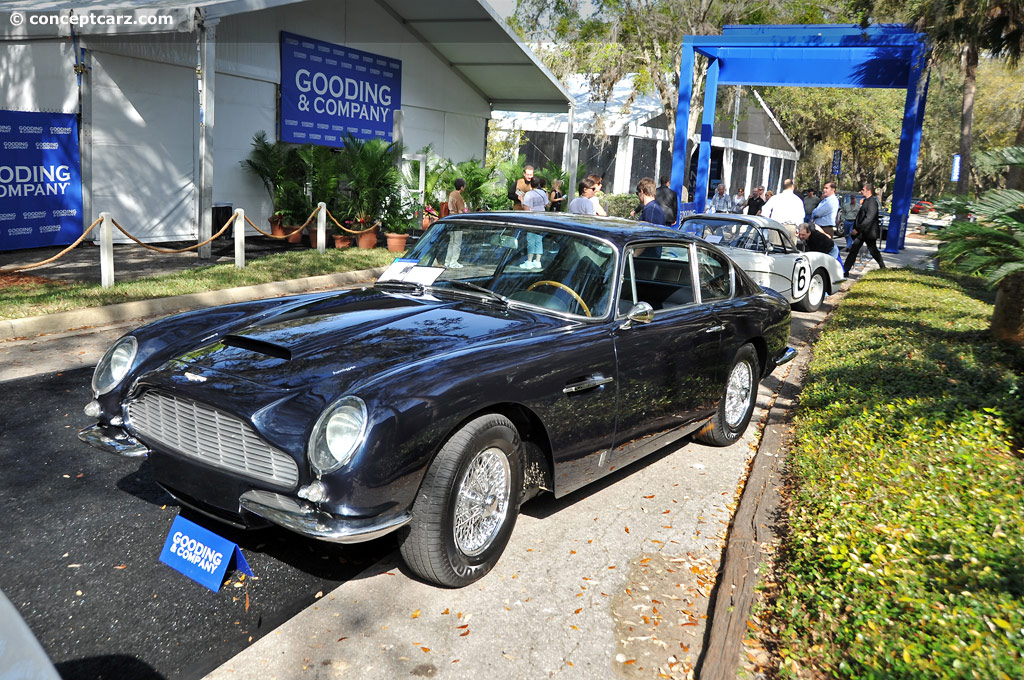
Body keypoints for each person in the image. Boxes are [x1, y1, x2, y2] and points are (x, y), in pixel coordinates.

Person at [843, 183, 886, 272]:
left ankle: (883, 267)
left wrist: (857, 229)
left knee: (873, 250)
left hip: (868, 232)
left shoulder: (872, 202)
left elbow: (868, 218)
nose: (861, 191)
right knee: (853, 250)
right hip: (862, 233)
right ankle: (845, 270)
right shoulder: (866, 201)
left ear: (869, 191)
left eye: (863, 189)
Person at [520, 177, 548, 268]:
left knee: (531, 240)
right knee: (539, 240)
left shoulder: (528, 194)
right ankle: (538, 261)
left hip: (532, 219)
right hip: (542, 218)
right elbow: (547, 204)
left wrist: (521, 200)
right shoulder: (543, 193)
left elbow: (526, 208)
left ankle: (529, 261)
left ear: (530, 184)